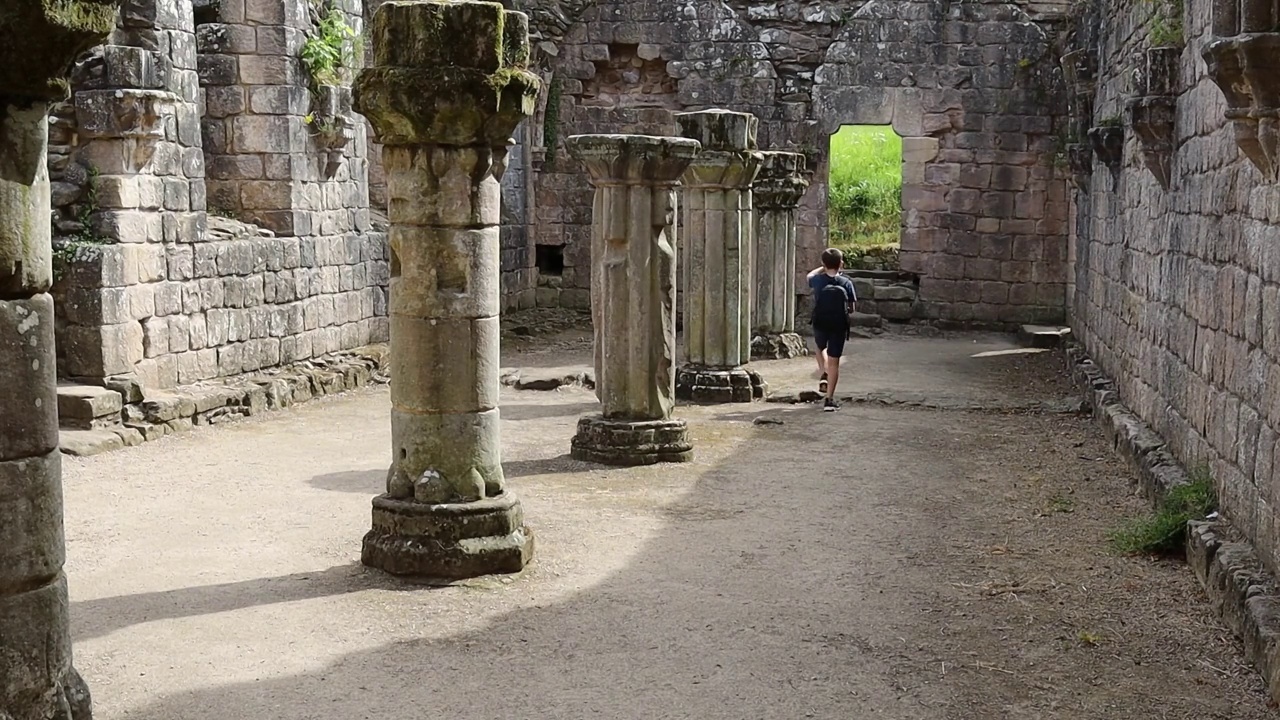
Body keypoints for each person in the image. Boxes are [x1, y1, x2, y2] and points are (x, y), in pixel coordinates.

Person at [807, 248, 857, 412]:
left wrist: (822, 267)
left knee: (820, 348)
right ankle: (829, 400)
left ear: (823, 263)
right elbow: (852, 308)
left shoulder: (818, 280)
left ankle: (823, 372)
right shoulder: (846, 282)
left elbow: (809, 276)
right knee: (834, 361)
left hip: (820, 322)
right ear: (841, 263)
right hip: (838, 325)